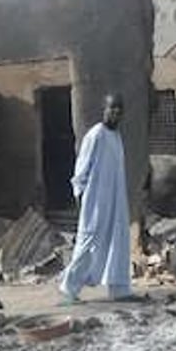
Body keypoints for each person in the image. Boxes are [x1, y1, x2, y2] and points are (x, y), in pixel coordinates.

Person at [59, 93, 134, 303]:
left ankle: (119, 288)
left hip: (115, 201)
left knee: (118, 240)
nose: (115, 114)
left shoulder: (117, 137)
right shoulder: (96, 135)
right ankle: (69, 287)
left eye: (119, 111)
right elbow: (81, 169)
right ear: (104, 110)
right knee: (88, 243)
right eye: (112, 109)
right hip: (95, 201)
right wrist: (80, 196)